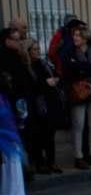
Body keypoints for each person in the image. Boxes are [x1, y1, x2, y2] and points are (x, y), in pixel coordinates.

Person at [60, 26, 91, 169]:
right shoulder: (69, 51)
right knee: (78, 124)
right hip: (77, 90)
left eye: (78, 35)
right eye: (74, 35)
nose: (75, 38)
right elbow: (69, 69)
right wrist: (89, 68)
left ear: (85, 38)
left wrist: (83, 67)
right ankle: (78, 156)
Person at [23, 38, 64, 174]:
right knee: (38, 135)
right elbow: (31, 86)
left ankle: (51, 161)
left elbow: (53, 75)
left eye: (38, 49)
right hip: (37, 104)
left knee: (50, 134)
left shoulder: (43, 64)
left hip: (49, 102)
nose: (37, 52)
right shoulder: (27, 67)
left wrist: (55, 79)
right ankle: (40, 162)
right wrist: (46, 83)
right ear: (28, 52)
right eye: (34, 49)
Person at [0, 72, 26, 195]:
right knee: (7, 165)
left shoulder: (7, 97)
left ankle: (14, 193)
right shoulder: (5, 97)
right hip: (6, 133)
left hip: (9, 133)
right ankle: (8, 193)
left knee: (12, 163)